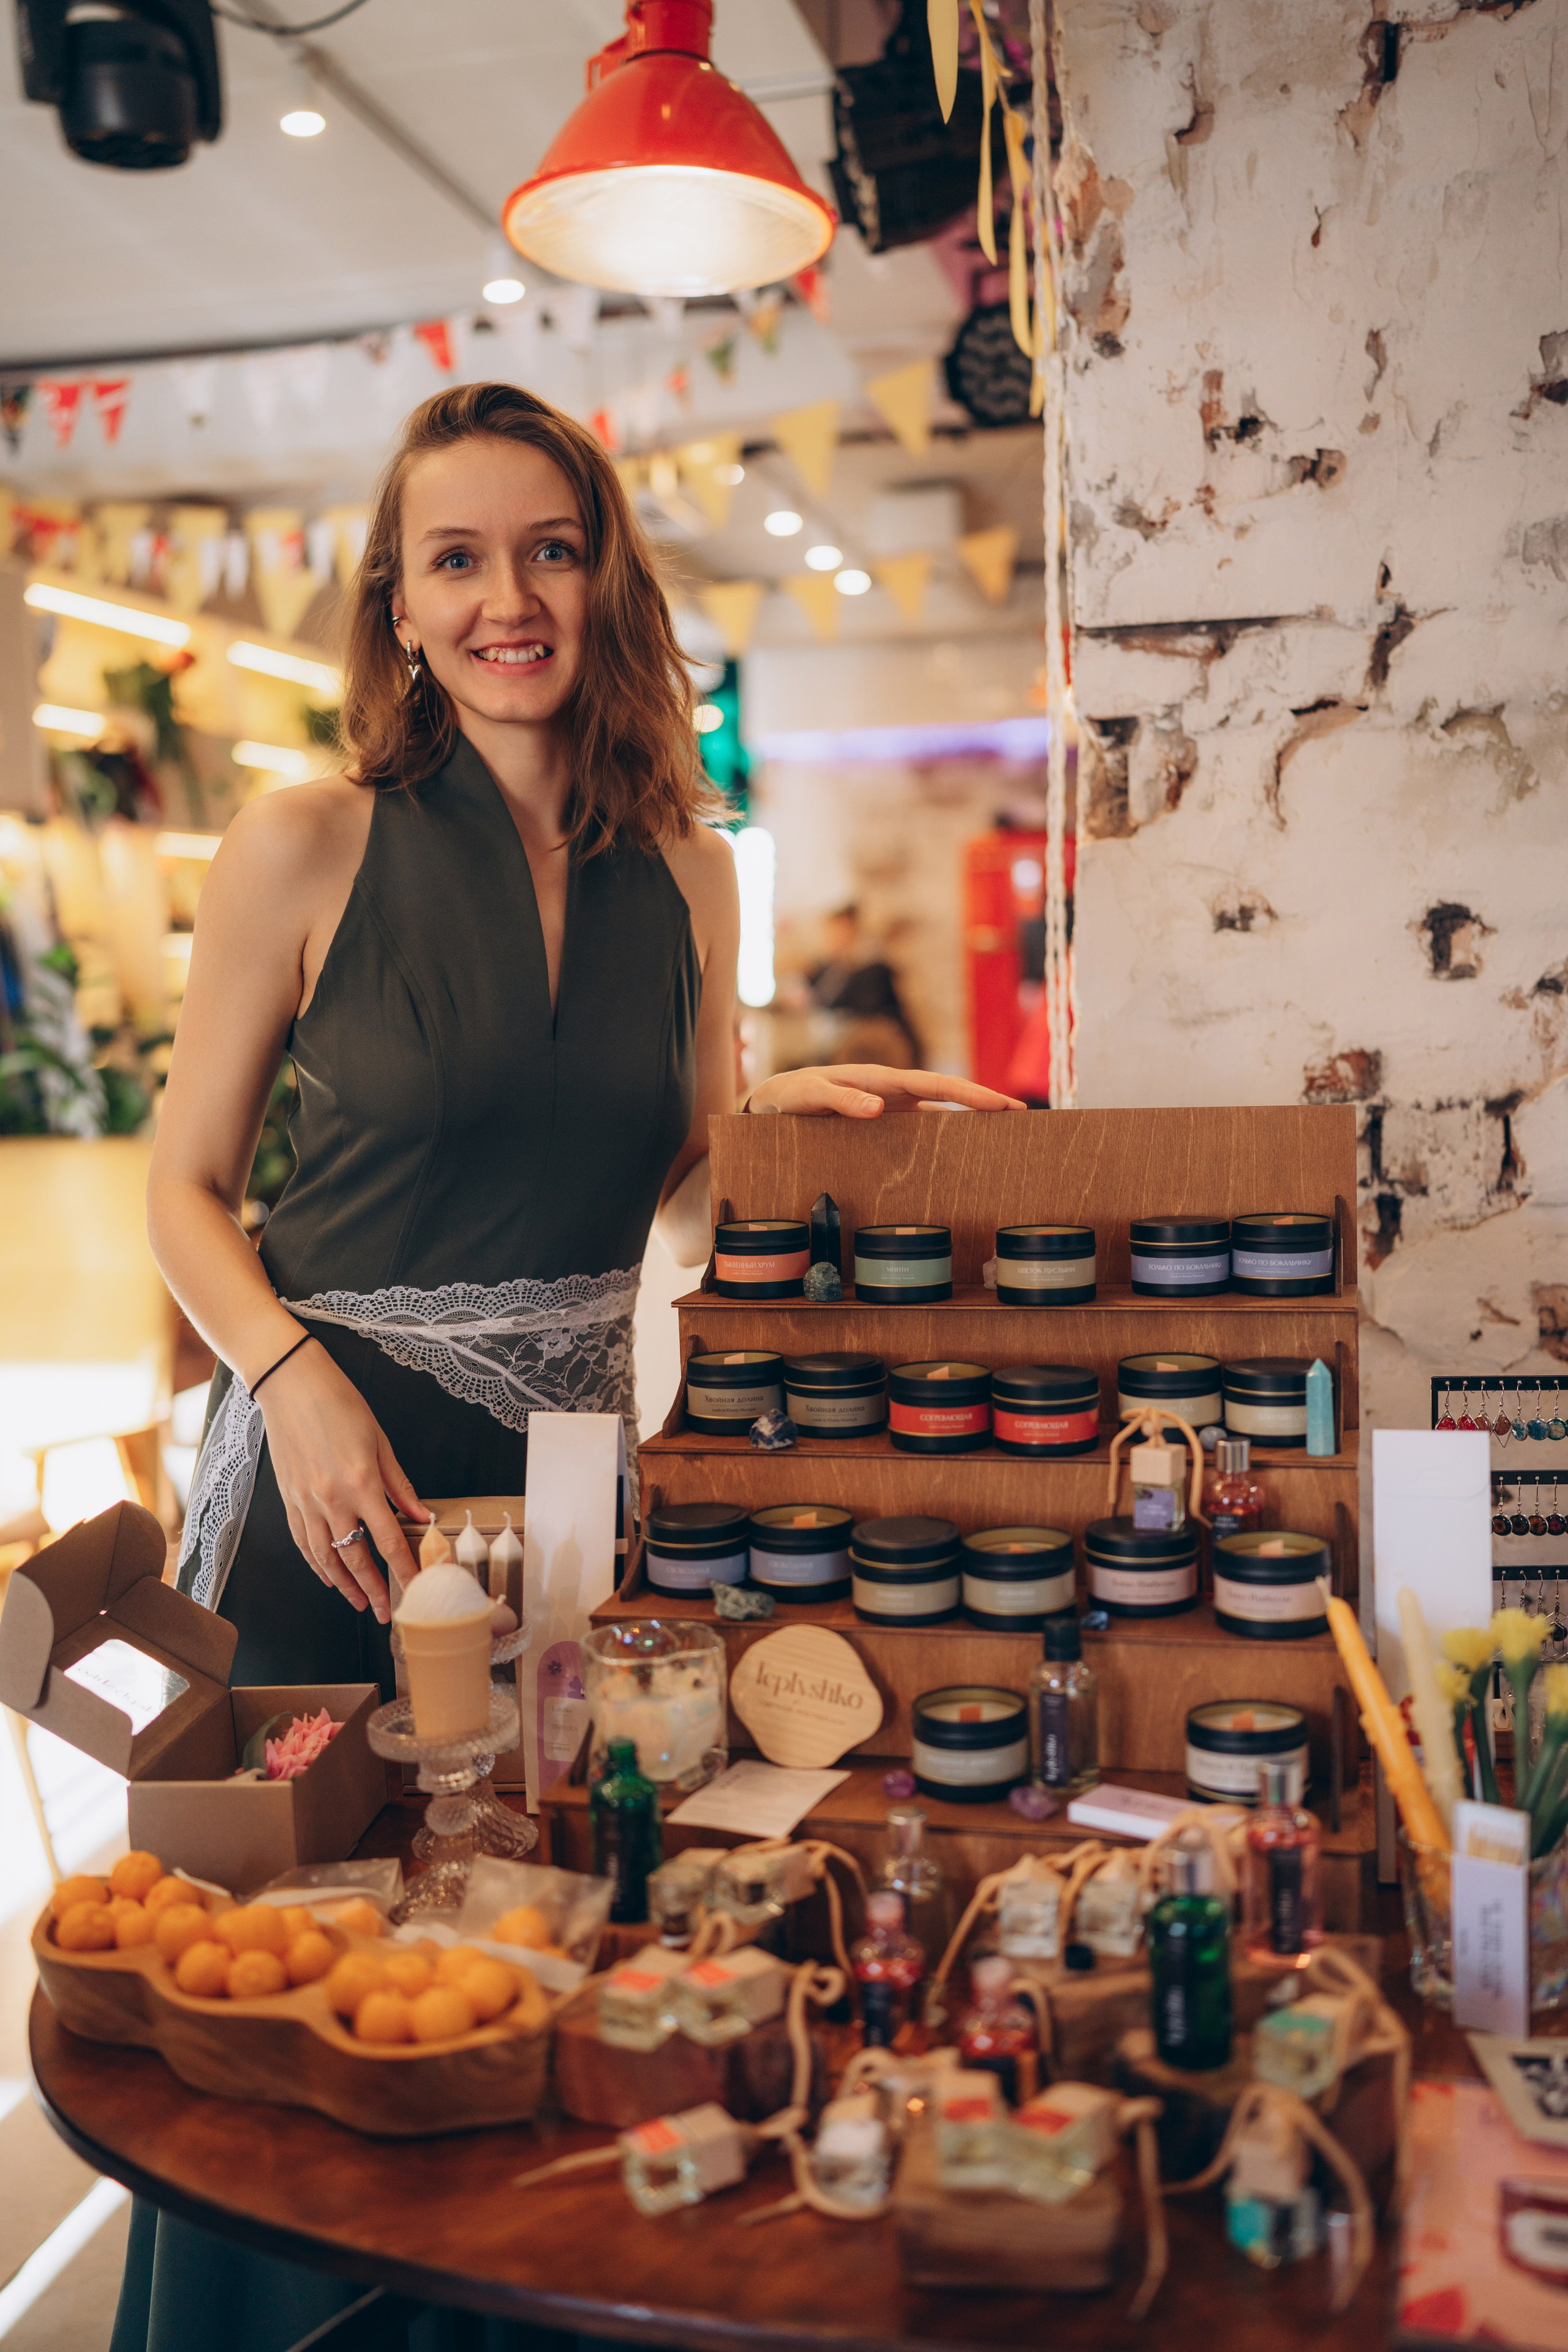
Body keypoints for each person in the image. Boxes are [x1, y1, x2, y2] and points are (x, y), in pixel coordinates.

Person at [126, 381, 1020, 2352]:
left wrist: (802, 1111)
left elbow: (686, 1172)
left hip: (568, 1499)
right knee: (300, 1973)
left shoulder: (691, 870)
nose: (507, 595)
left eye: (549, 545)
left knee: (530, 1941)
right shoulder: (307, 839)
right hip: (328, 1489)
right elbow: (182, 1190)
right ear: (398, 598)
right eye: (457, 556)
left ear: (604, 571)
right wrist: (285, 1379)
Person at [807, 902, 922, 1065]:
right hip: (851, 1047)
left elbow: (866, 1011)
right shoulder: (829, 969)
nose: (833, 939)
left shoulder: (874, 969)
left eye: (839, 932)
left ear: (854, 931)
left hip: (878, 1050)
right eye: (830, 933)